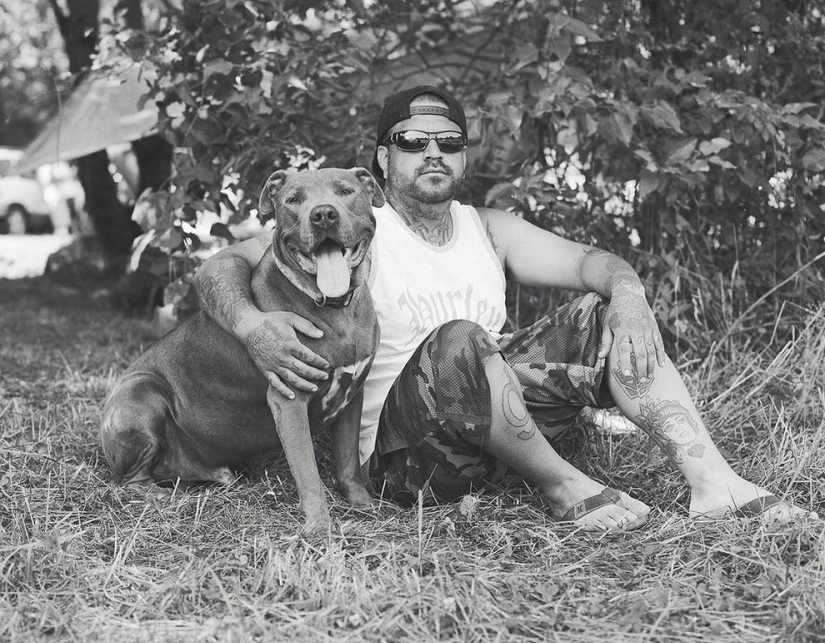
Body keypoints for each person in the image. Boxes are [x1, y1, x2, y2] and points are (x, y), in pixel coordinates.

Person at [193, 85, 815, 530]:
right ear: (384, 161)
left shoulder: (488, 226)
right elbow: (221, 265)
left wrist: (628, 296)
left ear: (463, 157)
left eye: (448, 141)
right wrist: (252, 326)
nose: (431, 152)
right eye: (412, 142)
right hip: (410, 458)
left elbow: (590, 263)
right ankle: (565, 486)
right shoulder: (355, 229)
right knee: (459, 337)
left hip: (502, 426)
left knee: (597, 311)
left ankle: (714, 483)